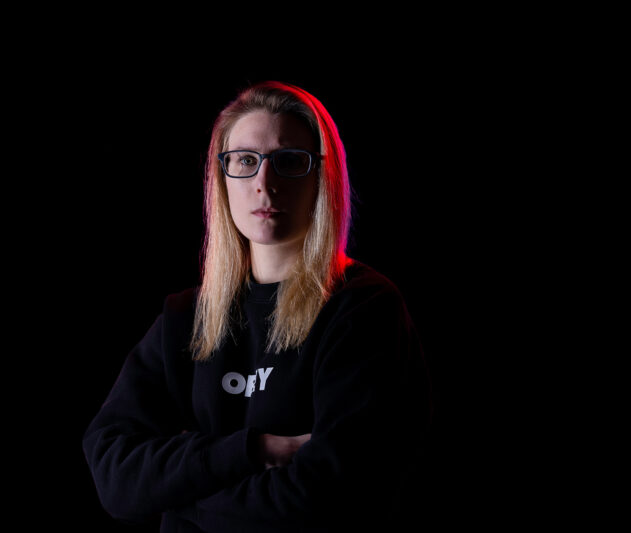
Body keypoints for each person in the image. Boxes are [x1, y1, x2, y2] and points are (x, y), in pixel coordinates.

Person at [83, 81, 432, 532]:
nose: (264, 184)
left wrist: (181, 492)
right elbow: (114, 476)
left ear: (322, 176)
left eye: (289, 162)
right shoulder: (184, 319)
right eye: (246, 161)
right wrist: (254, 451)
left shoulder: (362, 310)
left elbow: (330, 496)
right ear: (221, 176)